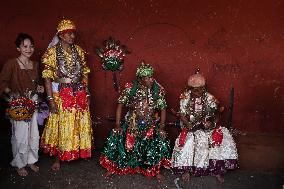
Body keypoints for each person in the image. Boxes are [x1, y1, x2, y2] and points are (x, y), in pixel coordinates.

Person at [100, 62, 171, 181]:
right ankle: (113, 167)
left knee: (159, 139)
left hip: (150, 124)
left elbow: (163, 109)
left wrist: (162, 127)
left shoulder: (157, 90)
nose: (151, 79)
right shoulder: (131, 89)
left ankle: (154, 169)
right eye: (147, 77)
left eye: (151, 76)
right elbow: (120, 105)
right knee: (117, 137)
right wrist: (117, 125)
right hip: (132, 123)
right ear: (140, 79)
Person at [40, 19, 93, 171]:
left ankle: (76, 152)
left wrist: (87, 92)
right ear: (61, 35)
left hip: (79, 91)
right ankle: (58, 157)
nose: (72, 36)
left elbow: (85, 73)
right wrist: (50, 99)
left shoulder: (79, 50)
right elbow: (47, 77)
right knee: (62, 124)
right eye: (68, 34)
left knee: (78, 122)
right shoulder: (51, 53)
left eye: (73, 33)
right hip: (61, 93)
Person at [171, 70, 238, 183]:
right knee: (189, 142)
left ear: (204, 87)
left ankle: (217, 170)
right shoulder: (185, 97)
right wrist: (189, 125)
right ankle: (186, 170)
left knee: (217, 140)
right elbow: (182, 114)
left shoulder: (210, 98)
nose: (198, 92)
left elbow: (216, 114)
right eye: (195, 90)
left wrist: (211, 123)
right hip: (191, 126)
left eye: (201, 89)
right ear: (189, 89)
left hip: (207, 126)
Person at [0, 33, 43, 176]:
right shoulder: (11, 64)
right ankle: (19, 163)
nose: (29, 49)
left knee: (34, 134)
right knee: (20, 136)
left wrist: (40, 88)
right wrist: (11, 93)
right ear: (18, 48)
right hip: (18, 106)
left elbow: (37, 84)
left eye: (31, 46)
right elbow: (2, 82)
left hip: (33, 104)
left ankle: (31, 161)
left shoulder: (35, 65)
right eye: (25, 46)